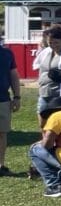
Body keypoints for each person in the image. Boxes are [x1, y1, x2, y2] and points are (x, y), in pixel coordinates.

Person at [1, 40, 22, 176]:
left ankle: (1, 165)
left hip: (3, 100)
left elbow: (14, 75)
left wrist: (17, 96)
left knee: (2, 134)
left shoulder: (7, 54)